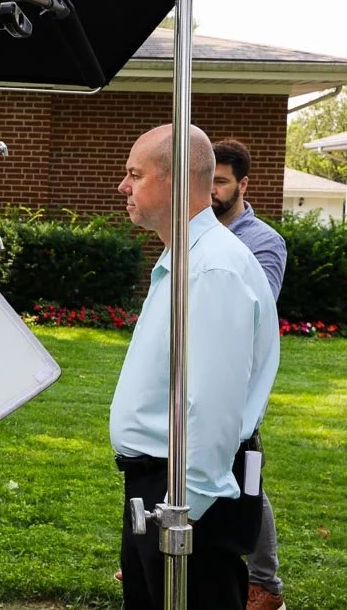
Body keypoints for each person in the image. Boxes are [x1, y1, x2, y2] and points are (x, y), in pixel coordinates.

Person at [111, 124, 279, 610]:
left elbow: (215, 404)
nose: (124, 186)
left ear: (176, 180)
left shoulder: (212, 269)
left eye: (134, 174)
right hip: (165, 489)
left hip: (187, 499)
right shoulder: (186, 259)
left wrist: (182, 516)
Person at [212, 139, 288, 610]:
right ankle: (172, 555)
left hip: (237, 383)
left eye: (221, 182)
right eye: (208, 181)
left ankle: (265, 585)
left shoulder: (263, 241)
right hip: (193, 373)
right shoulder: (194, 232)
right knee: (184, 467)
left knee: (247, 477)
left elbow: (256, 311)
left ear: (243, 184)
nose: (212, 191)